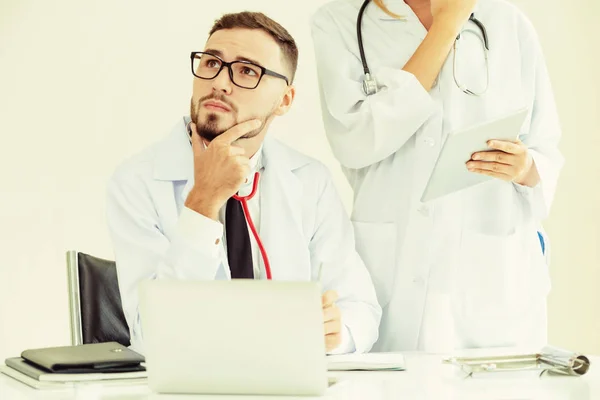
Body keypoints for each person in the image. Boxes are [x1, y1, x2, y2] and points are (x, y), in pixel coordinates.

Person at [106, 11, 381, 355]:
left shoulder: (310, 180)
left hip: (287, 383)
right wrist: (202, 203)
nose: (219, 82)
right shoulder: (137, 181)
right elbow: (154, 339)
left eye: (247, 71)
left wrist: (337, 333)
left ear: (284, 100)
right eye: (211, 63)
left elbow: (361, 309)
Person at [310, 0, 563, 352]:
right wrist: (446, 27)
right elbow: (356, 140)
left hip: (489, 270)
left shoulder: (507, 20)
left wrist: (525, 167)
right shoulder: (339, 20)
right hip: (392, 266)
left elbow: (544, 144)